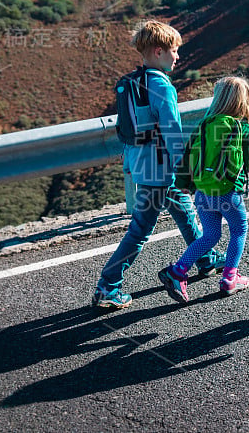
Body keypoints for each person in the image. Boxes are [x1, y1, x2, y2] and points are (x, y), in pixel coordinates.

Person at [92, 20, 224, 309]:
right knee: (140, 230)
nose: (177, 56)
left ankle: (204, 258)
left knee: (184, 209)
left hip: (145, 166)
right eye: (174, 50)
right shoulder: (161, 85)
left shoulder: (135, 83)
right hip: (161, 171)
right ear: (158, 50)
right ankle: (108, 286)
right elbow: (172, 131)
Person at [158, 76, 249, 303]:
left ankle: (178, 271)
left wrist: (185, 185)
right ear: (244, 101)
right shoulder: (242, 129)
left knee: (210, 235)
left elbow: (187, 157)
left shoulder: (204, 126)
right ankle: (230, 278)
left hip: (202, 193)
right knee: (239, 230)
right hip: (228, 193)